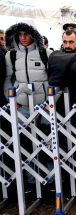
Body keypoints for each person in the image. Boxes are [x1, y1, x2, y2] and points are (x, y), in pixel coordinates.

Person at [3, 20, 54, 192]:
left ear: (33, 34)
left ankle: (51, 182)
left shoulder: (46, 53)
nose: (23, 38)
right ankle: (32, 182)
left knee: (48, 143)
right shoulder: (10, 55)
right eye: (20, 34)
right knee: (24, 144)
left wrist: (51, 102)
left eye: (26, 34)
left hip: (44, 106)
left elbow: (55, 81)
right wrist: (12, 101)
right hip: (22, 107)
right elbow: (8, 80)